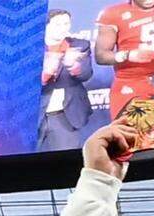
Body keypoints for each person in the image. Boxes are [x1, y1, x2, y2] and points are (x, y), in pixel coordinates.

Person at [95, 0, 154, 117]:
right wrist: (128, 55)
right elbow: (101, 55)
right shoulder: (113, 13)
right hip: (132, 85)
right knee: (129, 133)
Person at [39, 9, 94, 152]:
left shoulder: (80, 45)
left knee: (66, 162)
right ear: (45, 26)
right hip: (32, 115)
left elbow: (86, 74)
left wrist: (74, 66)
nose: (63, 28)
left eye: (66, 23)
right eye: (58, 24)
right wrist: (45, 74)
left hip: (65, 115)